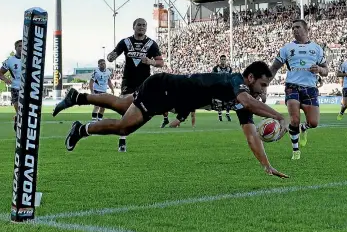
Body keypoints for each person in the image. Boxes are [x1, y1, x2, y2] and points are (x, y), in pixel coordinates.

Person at [54, 61, 289, 178]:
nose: (263, 90)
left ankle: (79, 96)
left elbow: (251, 135)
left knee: (120, 104)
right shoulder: (235, 82)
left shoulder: (241, 100)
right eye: (262, 84)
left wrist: (266, 166)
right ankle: (81, 129)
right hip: (163, 89)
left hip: (167, 94)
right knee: (125, 127)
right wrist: (279, 116)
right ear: (249, 77)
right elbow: (249, 102)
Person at [269, 19, 328, 160]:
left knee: (313, 123)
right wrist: (264, 85)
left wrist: (319, 69)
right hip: (292, 86)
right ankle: (296, 150)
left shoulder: (317, 48)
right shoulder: (287, 48)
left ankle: (304, 128)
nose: (294, 30)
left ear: (306, 29)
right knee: (294, 120)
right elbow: (274, 68)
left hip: (310, 89)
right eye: (293, 27)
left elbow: (326, 71)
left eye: (297, 27)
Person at [106, 18, 164, 152]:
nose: (142, 27)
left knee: (145, 109)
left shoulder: (151, 44)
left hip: (145, 82)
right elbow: (113, 55)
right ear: (134, 26)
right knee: (124, 109)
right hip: (128, 81)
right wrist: (111, 56)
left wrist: (151, 62)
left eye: (144, 25)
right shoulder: (126, 42)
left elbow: (161, 63)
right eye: (139, 25)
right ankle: (122, 139)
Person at [0, 40, 22, 131]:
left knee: (26, 111)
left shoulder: (30, 59)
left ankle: (20, 122)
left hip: (28, 88)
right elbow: (0, 72)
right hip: (15, 87)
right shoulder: (10, 60)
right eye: (19, 46)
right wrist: (5, 79)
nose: (21, 48)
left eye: (23, 46)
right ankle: (17, 118)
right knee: (19, 110)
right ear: (15, 48)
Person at [212, 55, 233, 122]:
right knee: (219, 102)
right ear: (220, 60)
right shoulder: (216, 68)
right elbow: (212, 76)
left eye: (224, 59)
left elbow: (230, 77)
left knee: (228, 101)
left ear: (226, 60)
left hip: (226, 87)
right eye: (222, 59)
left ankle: (227, 113)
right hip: (219, 87)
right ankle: (220, 115)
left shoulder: (229, 68)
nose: (223, 60)